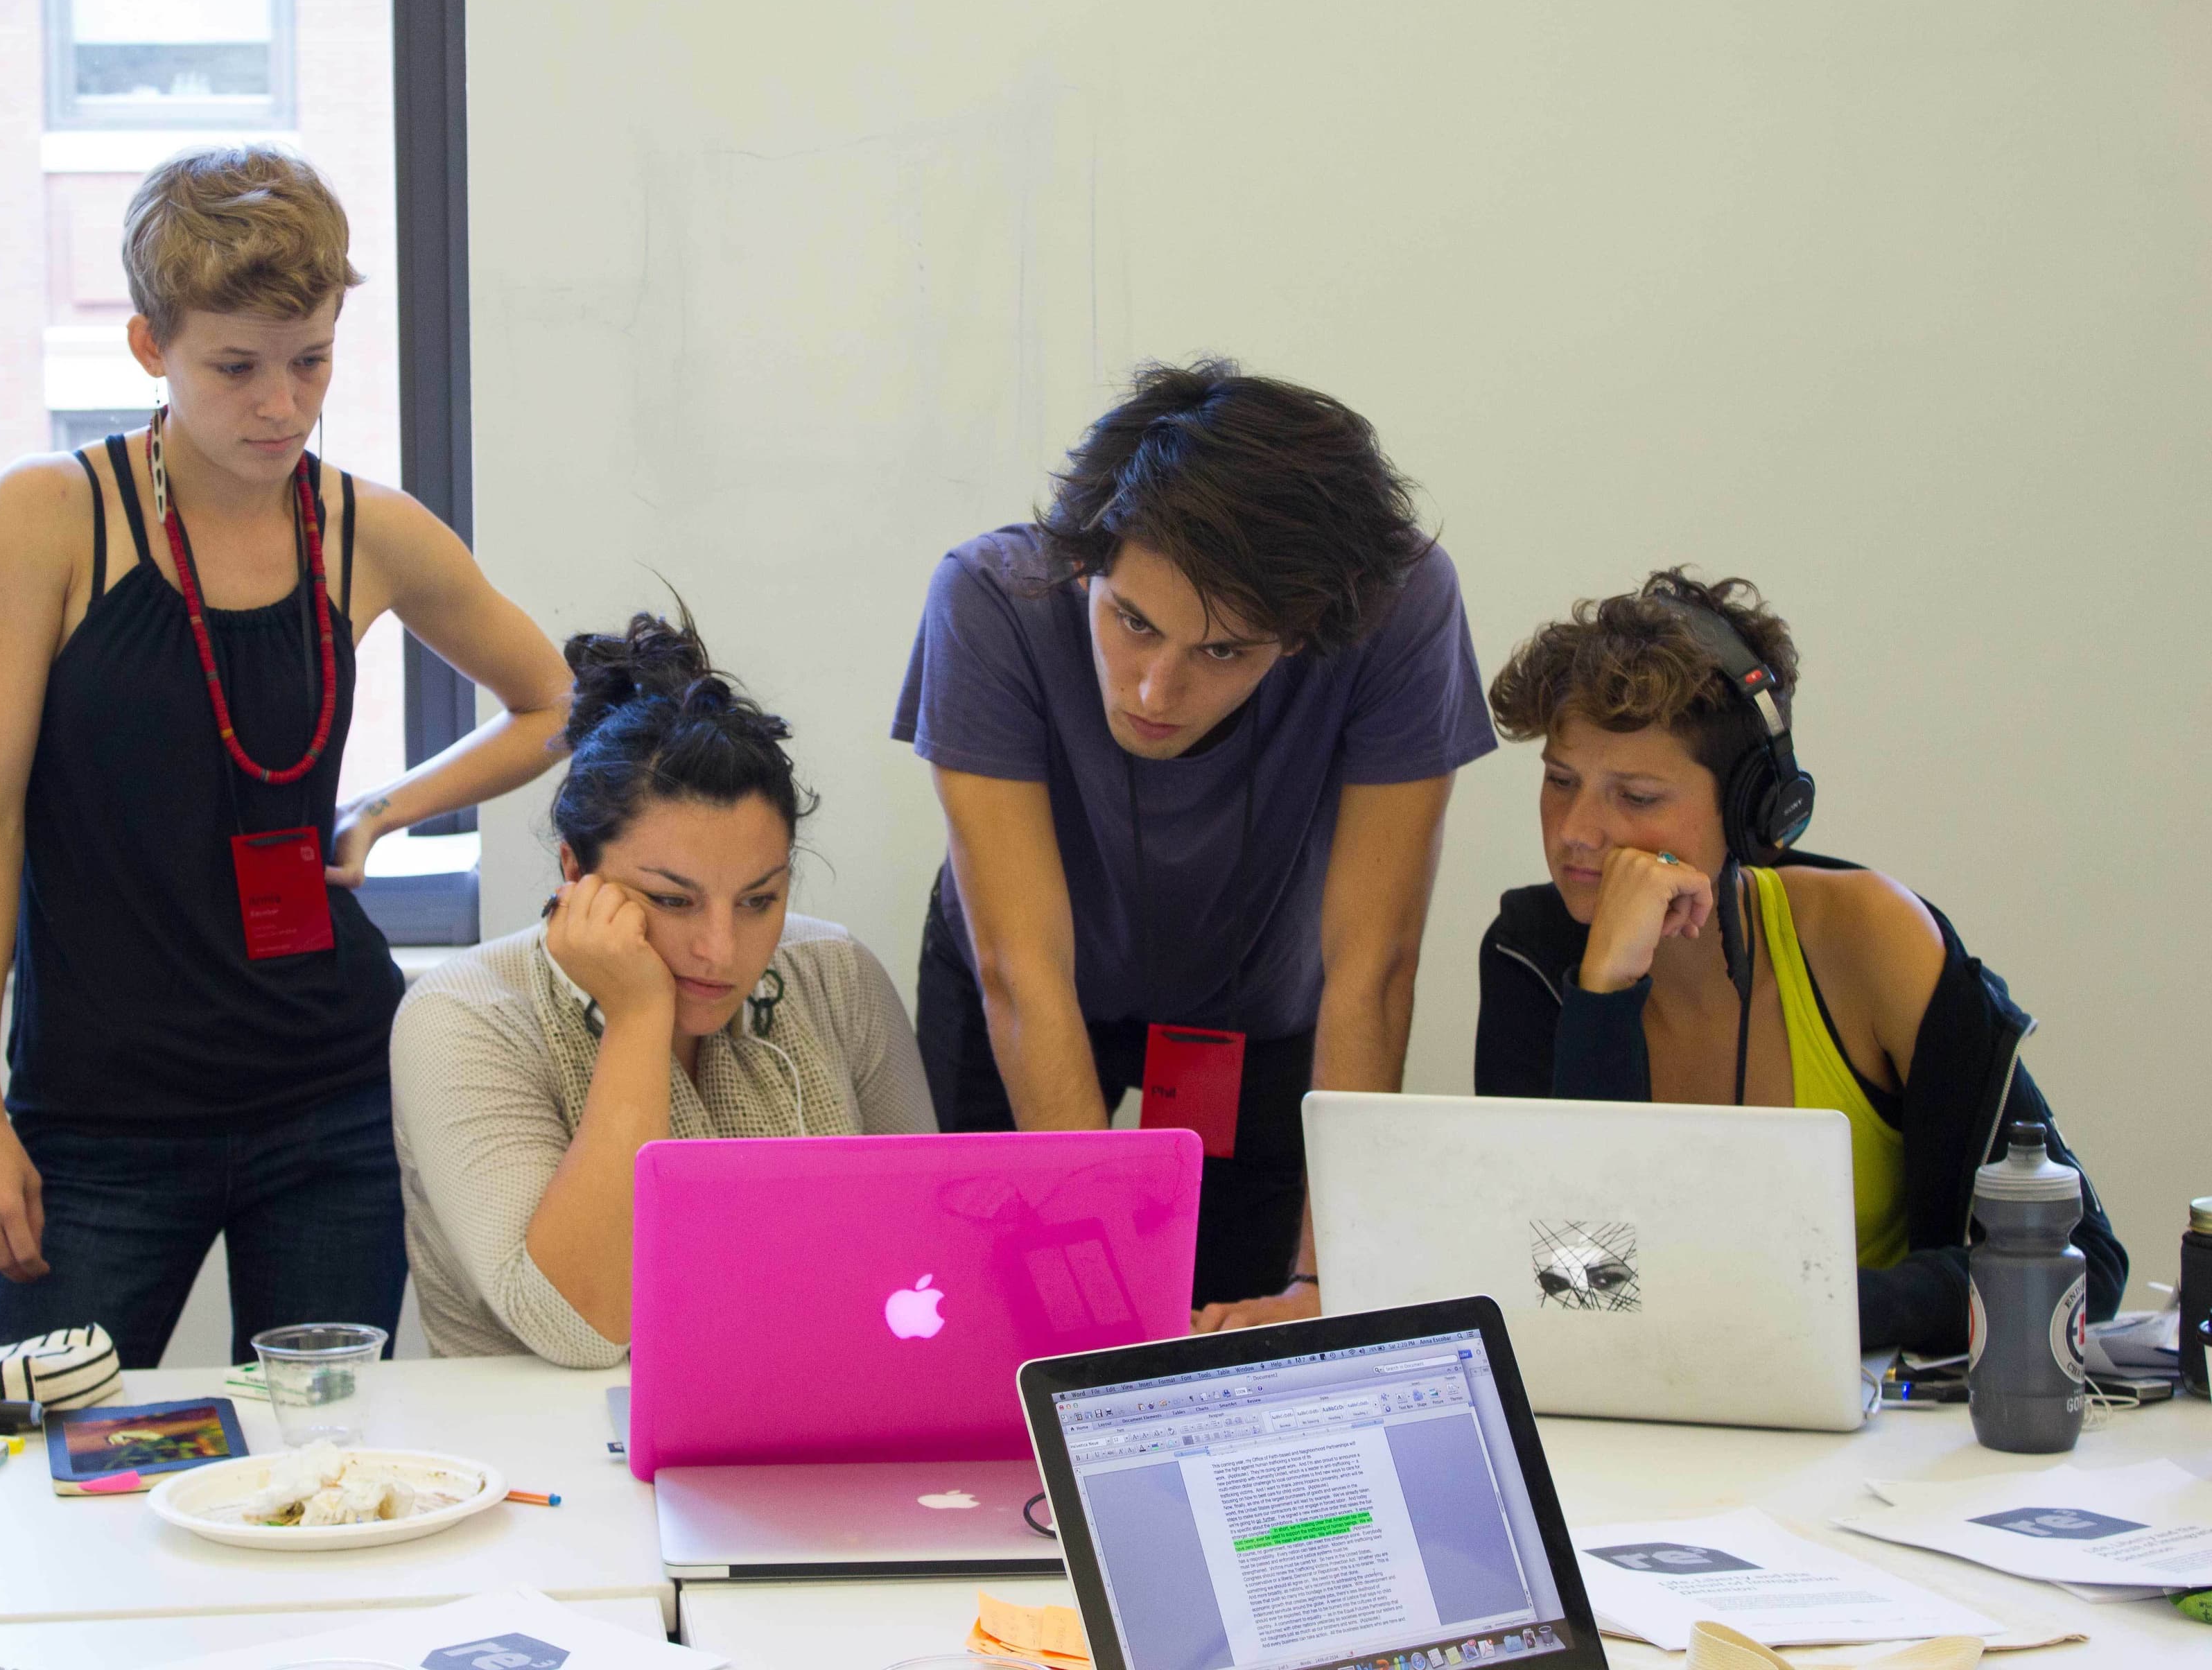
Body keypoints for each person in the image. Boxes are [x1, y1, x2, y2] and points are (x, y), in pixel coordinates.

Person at [0, 145, 573, 1366]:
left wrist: (387, 809)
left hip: (332, 1102)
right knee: (19, 1465)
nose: (279, 404)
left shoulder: (367, 529)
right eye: (234, 367)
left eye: (311, 361)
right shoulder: (51, 517)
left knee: (315, 1481)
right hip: (98, 1121)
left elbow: (552, 703)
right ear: (149, 348)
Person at [892, 360, 1497, 1328]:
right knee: (1013, 1310)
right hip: (1024, 973)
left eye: (1223, 651)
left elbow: (1372, 966)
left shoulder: (1400, 604)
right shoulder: (989, 597)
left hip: (1252, 998)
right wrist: (1094, 1290)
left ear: (1305, 633)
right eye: (1132, 622)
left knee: (1237, 1318)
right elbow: (1021, 970)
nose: (1153, 692)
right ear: (1086, 561)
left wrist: (1321, 1286)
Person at [1474, 568, 2127, 1353]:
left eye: (1637, 798)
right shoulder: (1533, 954)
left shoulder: (1867, 937)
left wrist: (1807, 1313)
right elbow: (1575, 1286)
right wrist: (1604, 989)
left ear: (1756, 812)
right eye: (1560, 780)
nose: (1578, 831)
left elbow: (2079, 1260)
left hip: (1890, 1431)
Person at [389, 612, 937, 1367]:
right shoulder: (464, 1017)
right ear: (575, 874)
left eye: (759, 899)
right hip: (538, 1457)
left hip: (794, 1421)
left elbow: (931, 1256)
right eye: (672, 900)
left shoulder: (835, 974)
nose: (720, 950)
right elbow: (579, 1326)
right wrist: (639, 1017)